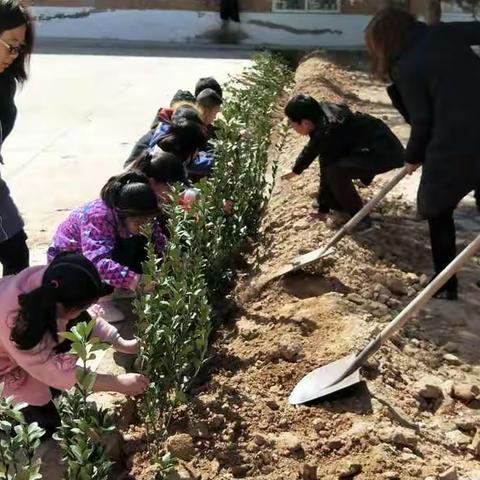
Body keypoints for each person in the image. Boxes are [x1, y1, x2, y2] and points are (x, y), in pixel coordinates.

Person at [365, 8, 480, 300]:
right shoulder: (443, 31)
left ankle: (444, 286)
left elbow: (422, 121)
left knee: (437, 208)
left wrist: (412, 156)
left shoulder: (406, 66)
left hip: (453, 142)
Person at [0, 253, 148, 432]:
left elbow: (84, 320)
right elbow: (51, 370)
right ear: (64, 308)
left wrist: (122, 343)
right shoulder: (16, 323)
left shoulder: (55, 282)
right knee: (43, 427)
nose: (84, 312)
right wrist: (117, 383)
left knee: (74, 327)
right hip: (7, 355)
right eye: (81, 308)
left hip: (22, 342)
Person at [48, 172, 166, 322]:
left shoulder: (144, 214)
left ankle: (121, 287)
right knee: (105, 262)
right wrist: (136, 281)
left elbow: (158, 241)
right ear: (121, 214)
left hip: (106, 248)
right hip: (70, 263)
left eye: (148, 221)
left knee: (143, 244)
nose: (145, 226)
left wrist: (171, 262)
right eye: (138, 222)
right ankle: (99, 301)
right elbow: (97, 263)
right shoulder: (98, 217)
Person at [281, 94, 405, 230]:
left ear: (305, 122)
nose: (292, 128)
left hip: (384, 153)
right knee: (335, 168)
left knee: (335, 172)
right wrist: (296, 169)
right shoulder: (319, 113)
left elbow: (326, 166)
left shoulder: (330, 130)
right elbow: (314, 145)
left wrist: (323, 209)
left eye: (292, 124)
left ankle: (360, 218)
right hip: (373, 144)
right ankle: (338, 203)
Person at [0, 1, 34, 276]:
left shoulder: (4, 83)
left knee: (16, 254)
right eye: (10, 45)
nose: (14, 55)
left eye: (19, 49)